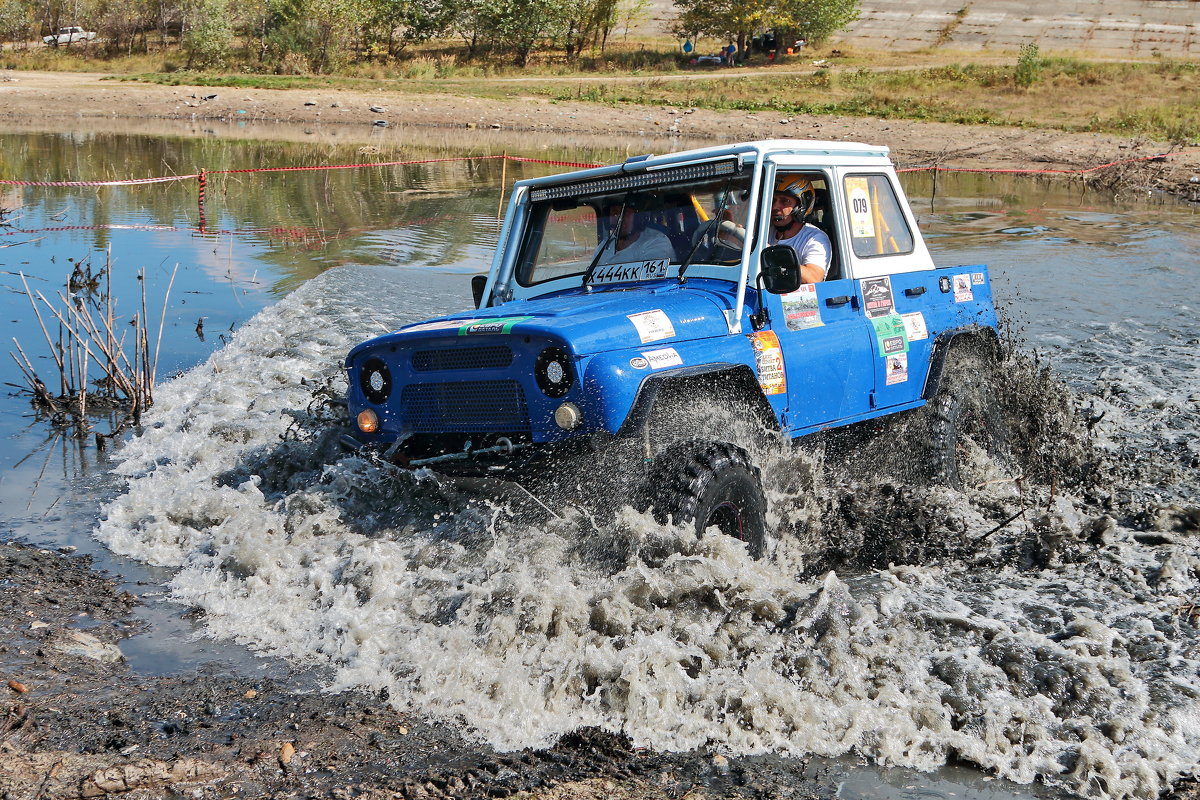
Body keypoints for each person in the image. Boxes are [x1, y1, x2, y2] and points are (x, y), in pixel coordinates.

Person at [770, 176, 829, 283]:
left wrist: (770, 253)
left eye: (785, 201)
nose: (774, 207)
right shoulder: (767, 231)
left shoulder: (815, 238)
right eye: (773, 201)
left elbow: (813, 278)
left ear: (801, 206)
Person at [594, 203, 675, 264]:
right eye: (614, 213)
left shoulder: (657, 242)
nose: (618, 219)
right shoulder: (603, 248)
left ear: (638, 218)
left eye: (624, 213)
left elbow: (650, 282)